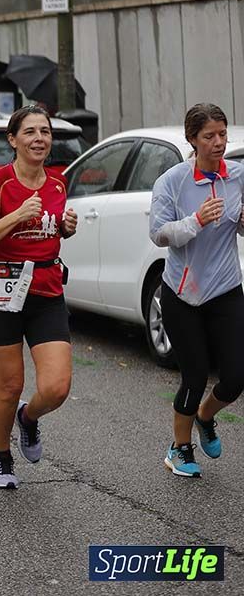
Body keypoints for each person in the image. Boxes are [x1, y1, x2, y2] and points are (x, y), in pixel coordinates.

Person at [0, 104, 78, 489]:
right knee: (9, 387)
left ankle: (28, 419)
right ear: (13, 140)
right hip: (3, 292)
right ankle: (0, 455)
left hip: (46, 291)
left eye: (45, 132)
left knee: (57, 387)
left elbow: (49, 231)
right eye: (30, 132)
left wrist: (65, 228)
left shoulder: (58, 183)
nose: (39, 139)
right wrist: (15, 216)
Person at [149, 103, 244, 478]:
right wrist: (196, 220)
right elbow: (159, 234)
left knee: (237, 375)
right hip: (182, 293)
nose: (219, 142)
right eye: (210, 136)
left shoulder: (237, 176)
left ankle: (206, 416)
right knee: (195, 374)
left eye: (222, 134)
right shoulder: (172, 181)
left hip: (225, 288)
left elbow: (239, 227)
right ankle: (180, 448)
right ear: (192, 139)